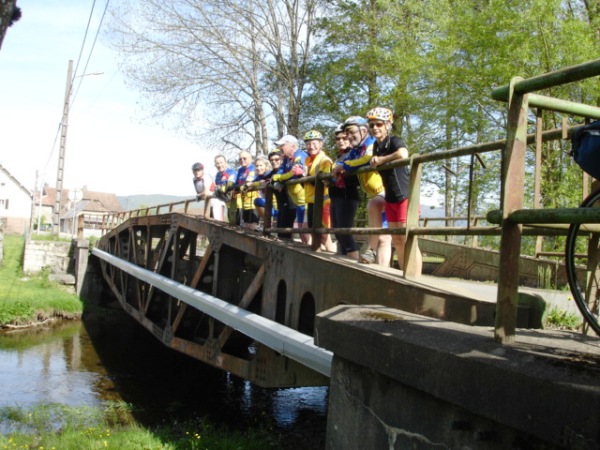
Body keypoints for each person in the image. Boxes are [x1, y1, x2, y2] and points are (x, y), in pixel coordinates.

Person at [367, 106, 423, 275]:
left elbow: (403, 154)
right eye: (372, 125)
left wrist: (382, 159)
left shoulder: (394, 141)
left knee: (408, 239)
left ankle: (416, 277)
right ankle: (406, 273)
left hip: (404, 196)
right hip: (390, 198)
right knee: (397, 240)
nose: (375, 128)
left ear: (388, 125)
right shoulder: (377, 146)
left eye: (379, 124)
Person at [334, 116, 392, 266]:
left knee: (388, 238)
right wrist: (339, 166)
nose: (348, 136)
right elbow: (342, 161)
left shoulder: (371, 143)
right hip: (377, 194)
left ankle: (383, 270)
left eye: (351, 131)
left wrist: (345, 166)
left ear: (364, 130)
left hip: (386, 191)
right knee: (384, 238)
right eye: (346, 133)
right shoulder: (356, 150)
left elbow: (368, 158)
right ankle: (382, 271)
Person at [329, 124, 360, 260]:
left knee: (344, 232)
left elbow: (355, 175)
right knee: (337, 231)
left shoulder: (353, 154)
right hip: (335, 196)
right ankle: (343, 260)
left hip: (347, 196)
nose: (341, 141)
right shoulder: (340, 156)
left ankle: (353, 263)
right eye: (338, 139)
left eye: (344, 138)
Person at [303, 130, 336, 252]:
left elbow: (324, 181)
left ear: (321, 144)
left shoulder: (324, 160)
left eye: (314, 143)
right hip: (312, 200)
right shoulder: (308, 161)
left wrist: (305, 176)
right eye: (308, 144)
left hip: (323, 201)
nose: (311, 146)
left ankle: (332, 254)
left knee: (323, 234)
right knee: (314, 230)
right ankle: (320, 254)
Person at [271, 135, 308, 241]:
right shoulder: (287, 159)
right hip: (298, 200)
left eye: (282, 145)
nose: (280, 148)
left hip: (305, 200)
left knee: (306, 232)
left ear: (292, 146)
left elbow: (295, 173)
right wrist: (278, 177)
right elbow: (280, 171)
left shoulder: (300, 155)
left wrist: (280, 178)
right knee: (301, 230)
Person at [231, 150, 260, 230]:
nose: (242, 160)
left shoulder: (254, 168)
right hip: (244, 202)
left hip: (253, 202)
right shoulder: (240, 170)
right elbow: (236, 185)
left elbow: (248, 183)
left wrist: (239, 187)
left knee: (253, 226)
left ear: (250, 159)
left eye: (244, 158)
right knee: (245, 225)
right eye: (240, 159)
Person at [213, 155, 236, 223]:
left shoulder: (231, 172)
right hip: (226, 202)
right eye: (217, 163)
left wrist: (221, 189)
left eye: (221, 162)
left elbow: (230, 185)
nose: (219, 165)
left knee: (236, 224)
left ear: (226, 163)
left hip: (235, 203)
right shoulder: (217, 175)